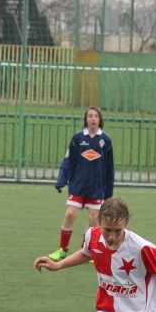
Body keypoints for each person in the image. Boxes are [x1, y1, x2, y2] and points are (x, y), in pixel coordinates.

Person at [47, 107, 114, 261]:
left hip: (97, 187)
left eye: (96, 116)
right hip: (78, 184)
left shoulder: (105, 140)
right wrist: (62, 180)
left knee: (93, 219)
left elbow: (109, 167)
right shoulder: (78, 138)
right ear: (86, 119)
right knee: (70, 214)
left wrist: (108, 191)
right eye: (90, 116)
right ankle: (62, 250)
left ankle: (86, 251)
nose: (93, 119)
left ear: (100, 119)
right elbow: (69, 160)